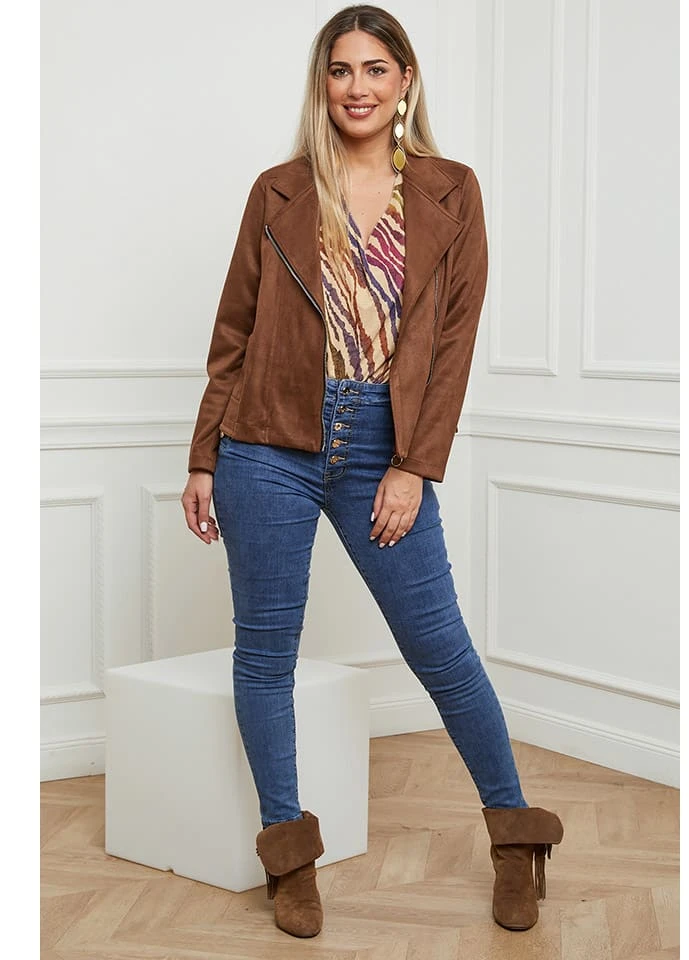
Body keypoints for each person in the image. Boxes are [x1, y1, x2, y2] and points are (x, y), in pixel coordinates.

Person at [181, 3, 564, 940]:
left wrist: (412, 466)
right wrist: (203, 457)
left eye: (375, 69)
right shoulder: (277, 190)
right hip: (265, 443)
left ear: (405, 82)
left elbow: (455, 346)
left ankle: (516, 839)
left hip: (379, 446)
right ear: (323, 83)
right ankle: (289, 858)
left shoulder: (451, 190)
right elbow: (233, 334)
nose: (357, 87)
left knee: (441, 649)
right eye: (341, 69)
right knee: (264, 655)